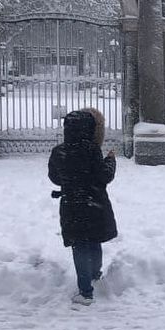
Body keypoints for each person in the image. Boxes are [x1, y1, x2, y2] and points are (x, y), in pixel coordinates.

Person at [48, 107, 117, 305]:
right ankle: (95, 275)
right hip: (93, 202)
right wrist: (111, 161)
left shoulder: (59, 151)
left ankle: (85, 291)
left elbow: (54, 177)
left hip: (72, 204)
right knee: (94, 240)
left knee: (79, 245)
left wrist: (70, 180)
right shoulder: (92, 150)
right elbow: (104, 176)